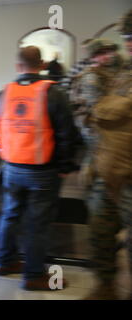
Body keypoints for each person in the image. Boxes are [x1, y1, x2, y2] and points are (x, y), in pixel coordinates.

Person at [0, 46, 77, 290]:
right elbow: (67, 134)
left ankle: (5, 262)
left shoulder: (3, 94)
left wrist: (5, 154)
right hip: (43, 172)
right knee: (37, 223)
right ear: (42, 65)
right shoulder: (54, 93)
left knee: (10, 214)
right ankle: (34, 275)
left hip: (12, 169)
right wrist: (65, 165)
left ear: (18, 67)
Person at [82, 9, 132, 300]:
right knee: (100, 230)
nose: (128, 44)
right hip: (106, 169)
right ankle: (105, 285)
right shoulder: (120, 73)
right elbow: (94, 113)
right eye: (126, 38)